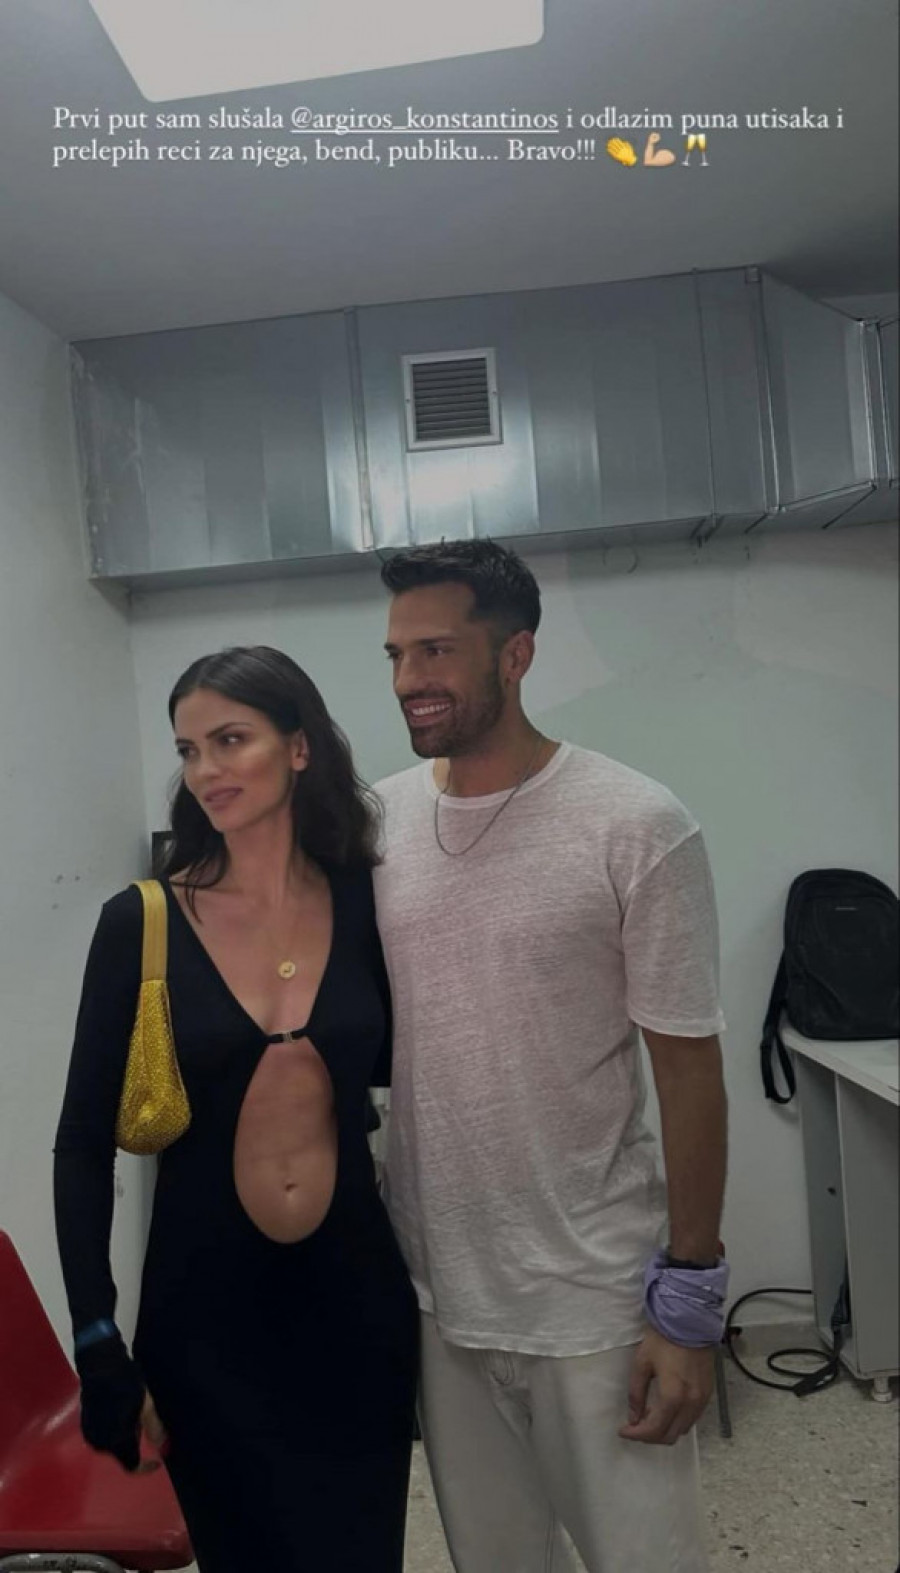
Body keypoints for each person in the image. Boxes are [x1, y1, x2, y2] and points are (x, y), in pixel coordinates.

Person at [372, 539, 729, 1573]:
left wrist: (690, 1303)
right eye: (396, 653)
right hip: (441, 1291)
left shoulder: (635, 823)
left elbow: (689, 1070)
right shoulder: (381, 821)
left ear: (516, 653)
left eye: (437, 650)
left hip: (593, 1294)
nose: (408, 678)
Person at [54, 646, 418, 1573]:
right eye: (188, 749)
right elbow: (81, 1146)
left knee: (360, 1555)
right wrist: (97, 1340)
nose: (205, 769)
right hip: (206, 1313)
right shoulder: (142, 921)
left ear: (298, 747)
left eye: (230, 739)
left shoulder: (367, 901)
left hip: (354, 1299)